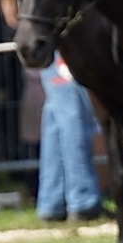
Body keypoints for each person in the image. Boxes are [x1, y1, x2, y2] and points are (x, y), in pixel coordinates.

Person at [35, 53, 104, 223]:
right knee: (74, 116)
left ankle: (53, 201)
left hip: (48, 44)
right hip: (62, 43)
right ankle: (82, 199)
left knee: (57, 119)